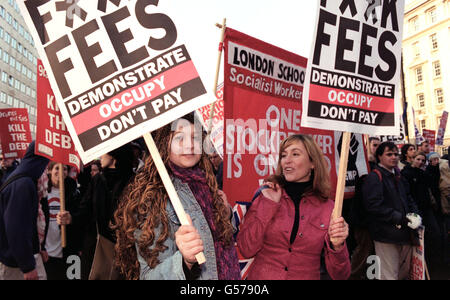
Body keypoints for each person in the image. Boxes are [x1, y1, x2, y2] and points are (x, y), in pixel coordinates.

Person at [113, 115, 240, 280]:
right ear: (165, 142)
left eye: (195, 137)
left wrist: (225, 214)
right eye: (180, 137)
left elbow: (222, 240)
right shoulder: (152, 198)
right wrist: (184, 262)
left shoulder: (206, 184)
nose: (189, 145)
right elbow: (148, 276)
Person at [236, 134, 351, 280]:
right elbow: (246, 248)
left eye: (295, 154)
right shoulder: (266, 194)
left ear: (312, 163)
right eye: (283, 155)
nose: (287, 161)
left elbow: (341, 275)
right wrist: (269, 206)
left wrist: (337, 246)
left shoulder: (328, 208)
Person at [66, 143, 134, 280]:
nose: (101, 156)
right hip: (96, 247)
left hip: (124, 249)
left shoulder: (132, 181)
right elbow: (85, 209)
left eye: (104, 152)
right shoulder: (97, 180)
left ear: (114, 156)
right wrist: (71, 218)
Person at [362, 142, 421, 280]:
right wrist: (400, 218)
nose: (394, 157)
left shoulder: (398, 176)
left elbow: (408, 197)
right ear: (379, 156)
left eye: (395, 154)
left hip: (404, 232)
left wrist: (416, 215)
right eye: (389, 154)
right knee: (388, 275)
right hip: (386, 235)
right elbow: (374, 206)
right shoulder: (374, 177)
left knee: (402, 274)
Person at [0, 141, 49, 280]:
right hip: (15, 264)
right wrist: (27, 266)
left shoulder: (24, 180)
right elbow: (16, 229)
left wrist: (39, 248)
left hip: (21, 258)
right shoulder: (23, 184)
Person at [401, 152, 442, 273]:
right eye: (418, 159)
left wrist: (434, 167)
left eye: (423, 160)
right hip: (415, 211)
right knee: (418, 239)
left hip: (426, 208)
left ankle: (431, 262)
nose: (420, 162)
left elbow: (433, 182)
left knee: (434, 234)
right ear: (413, 159)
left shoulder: (423, 173)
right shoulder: (405, 173)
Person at [40, 162, 82, 280]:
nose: (61, 172)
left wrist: (71, 219)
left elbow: (81, 218)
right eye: (57, 168)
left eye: (64, 169)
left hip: (69, 249)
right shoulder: (42, 192)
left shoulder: (74, 192)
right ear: (49, 171)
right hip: (47, 251)